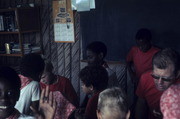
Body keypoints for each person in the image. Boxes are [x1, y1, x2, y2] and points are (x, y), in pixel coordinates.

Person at [135, 48, 180, 119]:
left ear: (177, 74)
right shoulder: (145, 78)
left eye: (165, 78)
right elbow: (141, 104)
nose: (159, 82)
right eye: (155, 76)